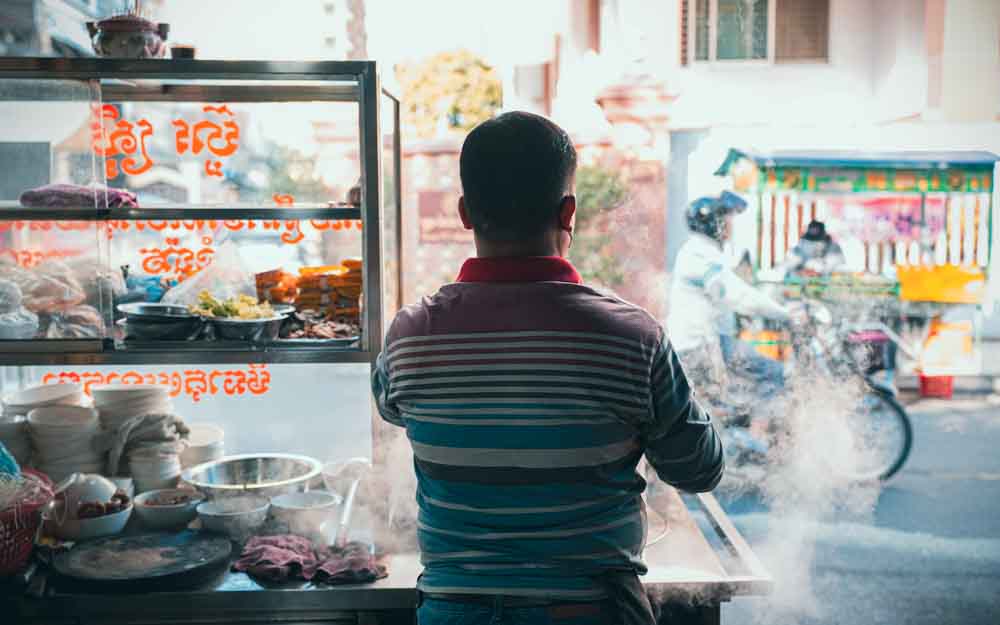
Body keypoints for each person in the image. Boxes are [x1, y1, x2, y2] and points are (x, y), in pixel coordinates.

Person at [372, 112, 724, 625]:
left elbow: (394, 411)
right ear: (569, 212)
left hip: (454, 613)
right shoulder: (632, 338)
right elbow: (699, 469)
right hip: (591, 612)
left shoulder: (409, 336)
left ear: (465, 213)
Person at [667, 191, 790, 400]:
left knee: (736, 395)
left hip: (707, 344)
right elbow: (738, 296)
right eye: (725, 220)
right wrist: (785, 314)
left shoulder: (704, 252)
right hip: (699, 349)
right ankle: (760, 431)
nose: (730, 226)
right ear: (714, 224)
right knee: (773, 373)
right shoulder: (699, 255)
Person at [782, 219, 847, 277]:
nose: (813, 244)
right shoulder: (800, 247)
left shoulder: (833, 248)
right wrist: (799, 272)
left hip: (826, 283)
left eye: (817, 241)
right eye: (810, 241)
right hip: (799, 283)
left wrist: (820, 271)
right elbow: (789, 264)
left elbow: (837, 266)